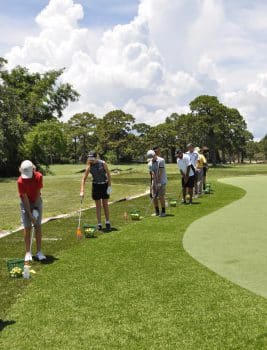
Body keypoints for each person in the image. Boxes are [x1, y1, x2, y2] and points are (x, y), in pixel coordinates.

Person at [17, 160, 46, 262]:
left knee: (38, 225)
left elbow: (38, 193)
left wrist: (35, 209)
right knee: (27, 227)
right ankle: (28, 252)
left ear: (33, 169)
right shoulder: (20, 181)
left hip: (37, 201)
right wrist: (30, 214)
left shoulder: (39, 176)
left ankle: (39, 252)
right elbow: (24, 198)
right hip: (25, 203)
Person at [80, 151, 112, 231]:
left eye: (92, 158)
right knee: (98, 205)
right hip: (96, 186)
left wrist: (109, 186)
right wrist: (82, 191)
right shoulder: (89, 166)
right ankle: (99, 224)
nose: (91, 160)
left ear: (96, 157)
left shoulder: (103, 163)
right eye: (90, 158)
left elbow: (108, 174)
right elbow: (84, 179)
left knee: (105, 204)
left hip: (104, 185)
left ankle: (107, 222)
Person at [147, 150, 167, 217]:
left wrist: (158, 183)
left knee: (161, 196)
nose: (151, 160)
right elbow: (152, 174)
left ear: (155, 155)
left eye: (152, 158)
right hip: (154, 181)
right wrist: (153, 183)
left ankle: (163, 211)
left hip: (162, 180)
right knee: (154, 196)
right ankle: (157, 212)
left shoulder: (161, 161)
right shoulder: (149, 163)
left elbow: (160, 173)